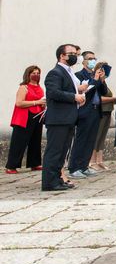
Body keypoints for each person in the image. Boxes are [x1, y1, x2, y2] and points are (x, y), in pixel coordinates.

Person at [42, 44, 86, 191]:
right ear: (62, 55)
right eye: (71, 53)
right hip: (58, 119)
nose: (74, 56)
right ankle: (49, 182)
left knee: (62, 152)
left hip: (68, 118)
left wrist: (79, 95)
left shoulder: (68, 72)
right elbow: (54, 92)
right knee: (54, 152)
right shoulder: (55, 72)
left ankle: (57, 179)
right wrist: (74, 96)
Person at [68, 50, 108, 179]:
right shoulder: (79, 75)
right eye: (90, 58)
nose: (93, 61)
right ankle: (74, 167)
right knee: (81, 140)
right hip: (85, 111)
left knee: (91, 140)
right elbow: (87, 91)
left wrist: (102, 80)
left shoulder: (96, 75)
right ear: (84, 61)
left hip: (96, 110)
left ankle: (84, 166)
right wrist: (95, 79)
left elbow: (103, 91)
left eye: (94, 58)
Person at [5, 66, 46, 173]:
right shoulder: (24, 87)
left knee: (36, 140)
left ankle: (35, 163)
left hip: (37, 116)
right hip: (24, 117)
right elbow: (19, 103)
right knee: (19, 142)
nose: (36, 75)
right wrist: (36, 102)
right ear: (28, 74)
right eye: (33, 73)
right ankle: (11, 166)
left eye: (38, 73)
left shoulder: (39, 87)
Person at [90, 62, 116, 171]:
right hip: (100, 111)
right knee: (96, 136)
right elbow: (97, 98)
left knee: (102, 137)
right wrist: (113, 99)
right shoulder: (95, 82)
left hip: (107, 111)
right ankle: (91, 161)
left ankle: (99, 160)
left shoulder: (103, 82)